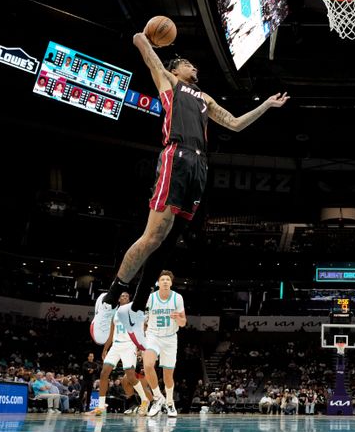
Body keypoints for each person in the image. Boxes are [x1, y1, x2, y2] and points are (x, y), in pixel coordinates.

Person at [90, 28, 289, 351]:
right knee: (152, 236)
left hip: (199, 166)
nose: (195, 69)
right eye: (189, 65)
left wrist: (266, 105)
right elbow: (139, 42)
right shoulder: (169, 82)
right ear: (176, 68)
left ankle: (136, 309)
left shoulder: (204, 98)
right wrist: (152, 37)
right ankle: (110, 300)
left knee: (167, 247)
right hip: (176, 156)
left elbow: (236, 124)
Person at [92, 292, 152, 416]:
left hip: (129, 345)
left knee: (130, 375)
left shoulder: (133, 311)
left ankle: (144, 399)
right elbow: (111, 334)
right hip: (116, 346)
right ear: (119, 299)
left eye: (126, 296)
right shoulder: (115, 314)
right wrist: (105, 348)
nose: (124, 297)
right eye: (122, 296)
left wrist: (140, 346)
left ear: (129, 299)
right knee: (104, 373)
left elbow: (141, 329)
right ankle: (101, 406)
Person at [144, 271, 186, 417]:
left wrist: (177, 318)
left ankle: (169, 402)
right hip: (153, 335)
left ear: (171, 283)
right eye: (163, 279)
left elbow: (183, 322)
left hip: (170, 338)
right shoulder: (151, 298)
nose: (166, 282)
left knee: (168, 375)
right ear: (158, 283)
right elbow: (144, 319)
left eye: (168, 279)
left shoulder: (177, 298)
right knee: (148, 365)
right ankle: (157, 398)